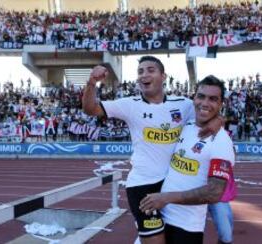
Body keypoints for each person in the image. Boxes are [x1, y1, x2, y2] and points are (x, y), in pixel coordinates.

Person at [82, 56, 223, 244]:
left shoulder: (183, 104)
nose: (144, 75)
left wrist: (218, 121)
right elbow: (90, 109)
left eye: (150, 70)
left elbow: (208, 111)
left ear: (163, 76)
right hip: (142, 187)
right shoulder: (129, 104)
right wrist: (92, 82)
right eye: (140, 71)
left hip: (173, 186)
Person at [139, 75, 236, 244]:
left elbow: (214, 192)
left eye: (213, 99)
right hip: (159, 216)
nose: (205, 103)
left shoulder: (221, 141)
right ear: (194, 98)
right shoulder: (185, 125)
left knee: (226, 235)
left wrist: (166, 198)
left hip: (185, 228)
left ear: (221, 104)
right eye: (201, 96)